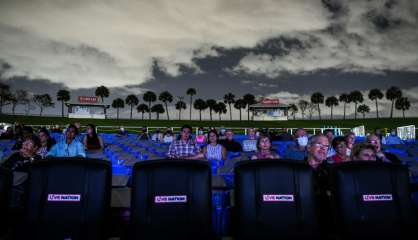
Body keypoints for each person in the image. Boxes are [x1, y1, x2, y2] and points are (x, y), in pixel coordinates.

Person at [1, 136, 42, 209]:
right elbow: (4, 168)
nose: (25, 144)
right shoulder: (15, 155)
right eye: (24, 142)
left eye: (29, 143)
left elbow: (35, 170)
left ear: (35, 148)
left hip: (20, 188)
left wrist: (29, 156)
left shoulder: (37, 158)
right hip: (6, 183)